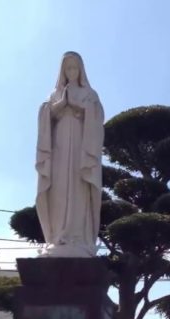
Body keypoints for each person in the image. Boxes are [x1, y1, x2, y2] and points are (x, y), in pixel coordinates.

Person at [35, 51, 105, 258]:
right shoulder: (54, 94)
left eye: (75, 68)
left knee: (78, 188)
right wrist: (58, 106)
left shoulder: (89, 94)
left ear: (81, 70)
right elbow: (45, 114)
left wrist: (79, 107)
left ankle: (79, 238)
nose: (71, 72)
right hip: (58, 147)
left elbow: (97, 116)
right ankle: (57, 237)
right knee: (58, 188)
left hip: (81, 150)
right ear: (62, 71)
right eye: (68, 68)